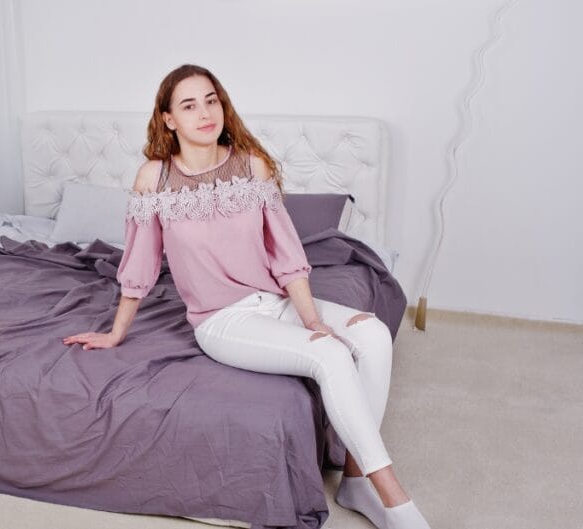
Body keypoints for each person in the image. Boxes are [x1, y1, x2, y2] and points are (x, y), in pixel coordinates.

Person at [62, 64, 431, 529]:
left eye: (211, 100)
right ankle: (397, 502)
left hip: (273, 301)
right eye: (189, 105)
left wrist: (311, 317)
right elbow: (140, 263)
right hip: (222, 322)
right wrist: (115, 333)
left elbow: (286, 253)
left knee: (373, 334)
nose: (204, 112)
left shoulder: (251, 164)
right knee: (332, 357)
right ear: (168, 119)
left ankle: (356, 479)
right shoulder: (153, 178)